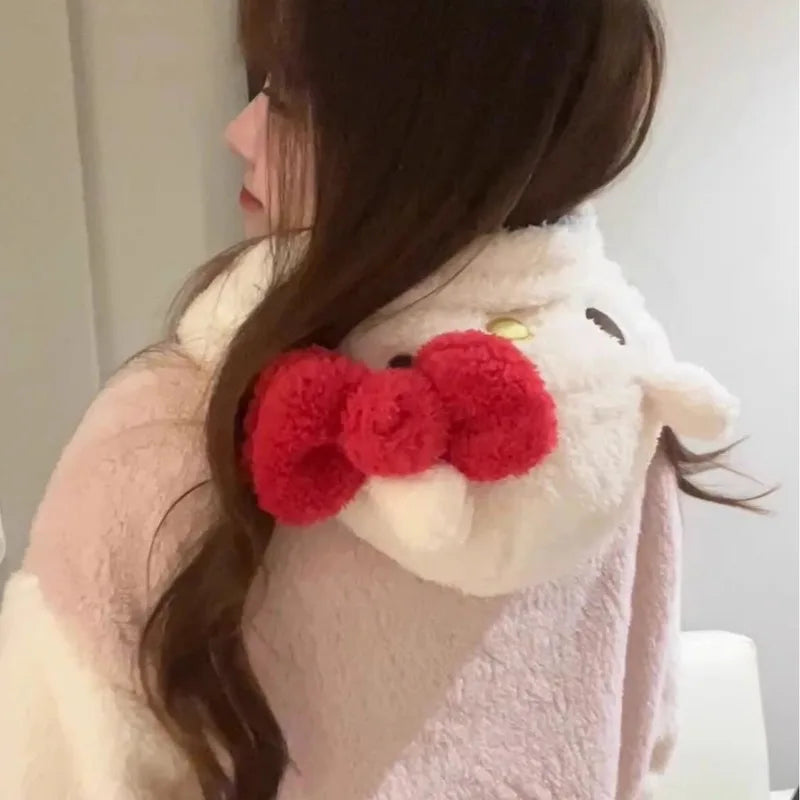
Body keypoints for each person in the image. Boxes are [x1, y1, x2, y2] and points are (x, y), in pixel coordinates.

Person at [0, 1, 762, 798]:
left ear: (424, 141)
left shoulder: (164, 441)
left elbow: (51, 773)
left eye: (288, 99)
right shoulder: (628, 416)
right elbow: (645, 742)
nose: (241, 132)